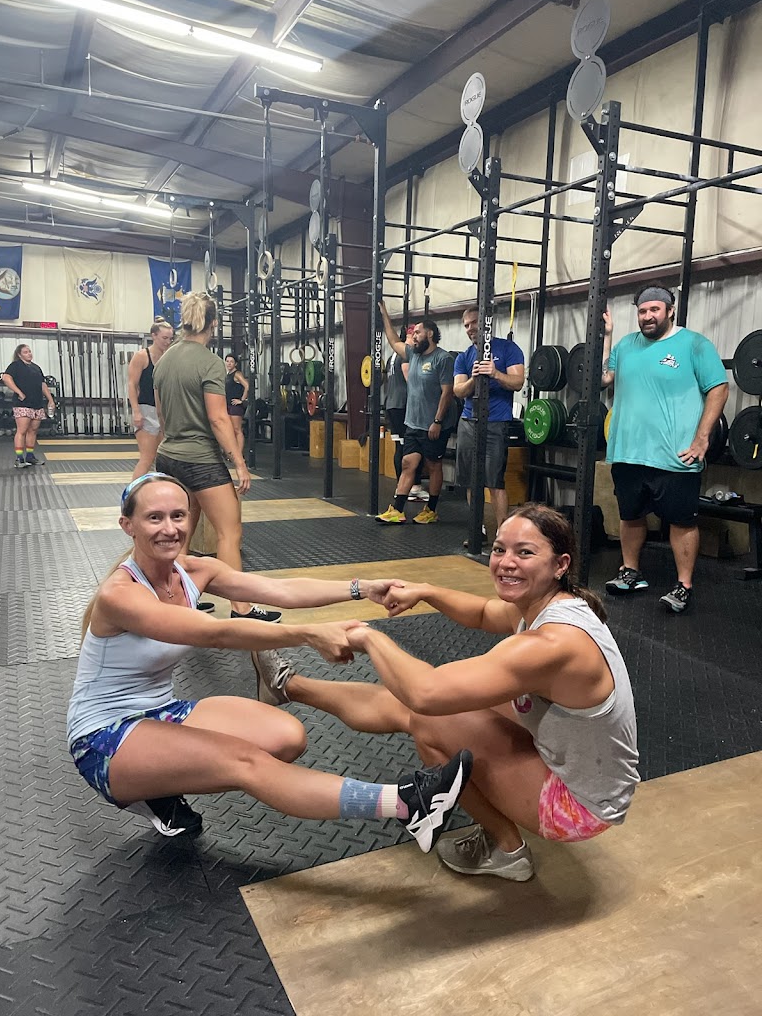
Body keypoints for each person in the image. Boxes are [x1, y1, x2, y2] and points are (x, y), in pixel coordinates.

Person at [67, 472, 472, 851]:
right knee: (245, 763)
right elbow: (215, 633)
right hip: (104, 736)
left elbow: (282, 590)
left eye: (178, 515)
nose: (170, 528)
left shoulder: (193, 571)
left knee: (286, 737)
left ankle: (158, 784)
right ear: (128, 525)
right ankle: (406, 804)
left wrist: (362, 588)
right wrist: (309, 634)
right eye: (154, 518)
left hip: (163, 711)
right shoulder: (120, 595)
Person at [255, 504, 639, 882]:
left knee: (427, 716)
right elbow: (484, 612)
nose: (506, 562)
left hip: (579, 808)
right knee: (440, 702)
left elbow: (425, 693)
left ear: (560, 564)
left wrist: (369, 638)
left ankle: (506, 851)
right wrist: (426, 591)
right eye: (500, 549)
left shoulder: (552, 643)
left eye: (524, 553)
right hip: (580, 766)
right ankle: (287, 686)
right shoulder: (551, 604)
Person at [602, 285, 729, 613]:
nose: (647, 316)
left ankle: (684, 585)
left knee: (682, 522)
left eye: (654, 310)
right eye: (642, 311)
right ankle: (631, 572)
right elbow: (603, 378)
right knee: (630, 515)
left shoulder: (694, 344)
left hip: (675, 455)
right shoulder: (626, 345)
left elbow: (718, 388)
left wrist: (702, 438)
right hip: (628, 451)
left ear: (670, 311)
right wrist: (607, 336)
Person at [153, 292, 279, 622]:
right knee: (229, 532)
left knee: (182, 533)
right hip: (200, 460)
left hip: (168, 457)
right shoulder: (210, 362)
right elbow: (219, 419)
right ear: (214, 323)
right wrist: (240, 463)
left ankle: (179, 601)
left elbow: (162, 415)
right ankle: (241, 609)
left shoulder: (164, 359)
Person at [375, 301, 457, 524]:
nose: (414, 336)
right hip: (413, 423)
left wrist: (437, 421)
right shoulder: (414, 355)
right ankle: (397, 510)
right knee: (408, 463)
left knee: (433, 466)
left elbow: (447, 392)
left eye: (418, 332)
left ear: (430, 334)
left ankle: (431, 510)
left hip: (434, 424)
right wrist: (385, 315)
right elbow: (394, 341)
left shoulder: (443, 359)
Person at [453, 307, 525, 546]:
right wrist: (474, 380)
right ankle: (478, 529)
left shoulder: (508, 349)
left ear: (486, 323)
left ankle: (503, 536)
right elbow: (458, 390)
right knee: (470, 480)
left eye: (474, 323)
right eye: (466, 325)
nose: (470, 328)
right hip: (468, 422)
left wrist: (495, 373)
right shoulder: (463, 357)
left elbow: (518, 382)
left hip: (496, 423)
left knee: (495, 481)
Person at [383, 324, 426, 501]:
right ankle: (412, 487)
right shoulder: (406, 354)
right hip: (403, 405)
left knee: (400, 446)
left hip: (392, 403)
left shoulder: (391, 357)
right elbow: (412, 381)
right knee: (411, 447)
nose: (416, 339)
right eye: (414, 335)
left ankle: (402, 487)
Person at [127, 318, 174, 481]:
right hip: (146, 409)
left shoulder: (168, 358)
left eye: (170, 339)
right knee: (147, 458)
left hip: (164, 412)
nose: (167, 342)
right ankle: (133, 493)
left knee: (163, 459)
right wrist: (136, 411)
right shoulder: (141, 356)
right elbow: (132, 385)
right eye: (164, 338)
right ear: (154, 336)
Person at [1, 343, 55, 468]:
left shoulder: (36, 368)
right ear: (19, 355)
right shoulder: (15, 366)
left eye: (29, 351)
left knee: (33, 431)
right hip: (23, 403)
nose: (29, 354)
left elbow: (42, 384)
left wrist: (50, 400)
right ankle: (19, 459)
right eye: (25, 352)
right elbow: (6, 378)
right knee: (22, 431)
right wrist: (19, 392)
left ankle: (30, 457)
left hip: (37, 404)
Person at [224, 353, 249, 462]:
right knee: (230, 430)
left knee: (237, 430)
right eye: (227, 361)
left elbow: (247, 386)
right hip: (228, 405)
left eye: (231, 361)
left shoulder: (237, 374)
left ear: (236, 364)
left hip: (235, 406)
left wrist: (241, 400)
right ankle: (233, 454)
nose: (229, 363)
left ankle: (239, 456)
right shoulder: (228, 375)